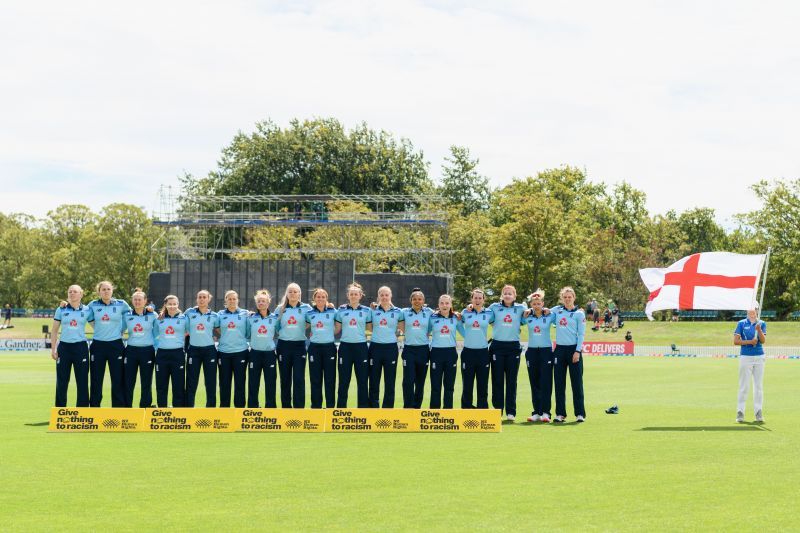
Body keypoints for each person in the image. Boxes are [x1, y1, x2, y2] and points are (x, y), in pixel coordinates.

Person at [87, 281, 132, 407]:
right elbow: (87, 317)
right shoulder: (92, 305)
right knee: (96, 379)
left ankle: (117, 408)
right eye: (103, 289)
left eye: (108, 289)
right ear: (99, 291)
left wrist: (122, 330)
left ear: (112, 290)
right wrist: (97, 328)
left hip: (116, 345)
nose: (106, 291)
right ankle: (95, 407)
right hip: (98, 346)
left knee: (117, 378)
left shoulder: (121, 304)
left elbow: (130, 317)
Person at [488, 284, 526, 421]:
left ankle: (511, 412)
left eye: (510, 293)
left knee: (511, 381)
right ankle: (497, 410)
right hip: (497, 346)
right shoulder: (494, 307)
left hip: (513, 347)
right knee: (497, 380)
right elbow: (484, 315)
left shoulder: (521, 308)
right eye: (505, 293)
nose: (508, 295)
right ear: (502, 295)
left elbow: (531, 315)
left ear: (515, 296)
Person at [51, 285, 94, 407]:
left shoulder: (87, 310)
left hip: (80, 348)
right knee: (62, 381)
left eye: (75, 292)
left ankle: (82, 409)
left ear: (81, 294)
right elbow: (54, 330)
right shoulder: (61, 309)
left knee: (82, 381)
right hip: (64, 348)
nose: (72, 293)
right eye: (70, 291)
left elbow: (97, 326)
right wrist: (53, 348)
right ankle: (60, 409)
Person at [550, 287, 587, 423]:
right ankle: (560, 414)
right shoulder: (557, 311)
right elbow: (545, 311)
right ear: (562, 298)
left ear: (574, 297)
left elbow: (581, 334)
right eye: (564, 297)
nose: (567, 299)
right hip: (559, 350)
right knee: (559, 383)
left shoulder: (579, 314)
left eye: (569, 297)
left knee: (576, 383)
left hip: (574, 350)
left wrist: (578, 351)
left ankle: (580, 413)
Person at [336, 282, 372, 408]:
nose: (353, 296)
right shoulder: (341, 310)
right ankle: (341, 408)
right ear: (348, 295)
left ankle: (362, 409)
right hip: (345, 347)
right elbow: (336, 329)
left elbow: (371, 328)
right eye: (351, 294)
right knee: (344, 381)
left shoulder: (367, 311)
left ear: (360, 295)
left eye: (356, 294)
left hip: (361, 347)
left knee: (362, 381)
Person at [276, 283, 312, 408]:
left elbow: (311, 322)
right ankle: (286, 408)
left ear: (299, 294)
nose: (292, 294)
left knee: (298, 379)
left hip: (299, 346)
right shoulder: (280, 309)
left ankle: (299, 408)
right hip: (283, 346)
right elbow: (275, 327)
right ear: (286, 293)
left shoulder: (306, 308)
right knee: (285, 379)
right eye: (290, 291)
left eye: (295, 292)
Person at [369, 286, 404, 408]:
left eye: (386, 295)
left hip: (391, 349)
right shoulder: (372, 310)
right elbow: (369, 328)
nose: (384, 297)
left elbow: (402, 327)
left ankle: (387, 408)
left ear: (390, 296)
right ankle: (374, 407)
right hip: (375, 348)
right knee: (374, 380)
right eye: (382, 295)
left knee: (390, 381)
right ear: (378, 297)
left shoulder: (398, 312)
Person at [184, 290, 220, 407]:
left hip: (209, 351)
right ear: (197, 299)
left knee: (210, 381)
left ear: (209, 299)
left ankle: (210, 408)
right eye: (199, 297)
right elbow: (177, 317)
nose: (202, 299)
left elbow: (221, 330)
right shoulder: (189, 312)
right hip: (194, 350)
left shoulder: (215, 316)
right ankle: (189, 407)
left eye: (204, 297)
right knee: (191, 381)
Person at [122, 288, 157, 408]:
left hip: (147, 351)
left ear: (145, 301)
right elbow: (120, 330)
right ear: (132, 301)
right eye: (135, 300)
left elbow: (158, 332)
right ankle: (127, 408)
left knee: (146, 381)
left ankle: (145, 408)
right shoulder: (127, 315)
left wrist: (156, 347)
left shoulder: (153, 315)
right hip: (131, 351)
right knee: (128, 382)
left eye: (140, 300)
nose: (137, 302)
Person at [524, 290, 555, 423]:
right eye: (534, 303)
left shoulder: (549, 315)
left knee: (546, 382)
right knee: (534, 382)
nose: (537, 305)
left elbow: (558, 314)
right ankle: (536, 411)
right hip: (531, 351)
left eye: (539, 303)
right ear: (531, 304)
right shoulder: (527, 316)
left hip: (546, 351)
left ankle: (546, 412)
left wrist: (550, 311)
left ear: (543, 304)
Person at [459, 288, 493, 409]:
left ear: (484, 300)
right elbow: (458, 324)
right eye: (475, 298)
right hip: (468, 352)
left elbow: (497, 324)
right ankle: (467, 407)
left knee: (482, 383)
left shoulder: (489, 313)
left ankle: (482, 408)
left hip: (483, 352)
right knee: (467, 383)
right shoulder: (465, 312)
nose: (477, 300)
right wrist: (465, 335)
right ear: (471, 299)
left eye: (480, 298)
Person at [428, 294, 462, 409]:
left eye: (447, 303)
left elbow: (466, 333)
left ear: (451, 305)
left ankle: (448, 411)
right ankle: (434, 411)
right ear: (438, 305)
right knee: (435, 385)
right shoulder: (432, 317)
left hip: (451, 353)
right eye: (442, 303)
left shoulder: (456, 318)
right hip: (436, 353)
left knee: (449, 385)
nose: (444, 305)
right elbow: (425, 333)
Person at [734, 306, 767, 423]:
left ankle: (758, 412)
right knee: (744, 386)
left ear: (757, 310)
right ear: (747, 311)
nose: (752, 312)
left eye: (754, 310)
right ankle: (740, 412)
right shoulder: (741, 323)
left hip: (759, 356)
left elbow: (763, 341)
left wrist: (759, 330)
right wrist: (749, 342)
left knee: (758, 386)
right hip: (745, 357)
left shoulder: (761, 323)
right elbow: (736, 341)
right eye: (749, 310)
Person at [306, 288, 338, 409]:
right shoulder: (309, 313)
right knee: (315, 379)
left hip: (329, 347)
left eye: (323, 297)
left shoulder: (333, 311)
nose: (320, 299)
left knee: (330, 379)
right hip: (314, 348)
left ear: (326, 299)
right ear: (314, 299)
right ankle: (316, 407)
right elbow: (304, 326)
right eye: (318, 297)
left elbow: (338, 326)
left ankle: (330, 407)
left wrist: (329, 334)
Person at [400, 288, 432, 409]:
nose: (417, 301)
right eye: (414, 299)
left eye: (419, 299)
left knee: (420, 381)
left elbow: (445, 312)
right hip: (409, 350)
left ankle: (417, 407)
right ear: (411, 300)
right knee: (408, 381)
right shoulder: (404, 312)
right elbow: (390, 308)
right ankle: (408, 407)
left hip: (423, 351)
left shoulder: (429, 312)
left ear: (423, 300)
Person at [217, 290, 250, 408]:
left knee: (240, 383)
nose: (232, 301)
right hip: (224, 353)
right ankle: (224, 411)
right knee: (224, 383)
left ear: (238, 300)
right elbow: (217, 328)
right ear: (225, 300)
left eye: (234, 299)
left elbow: (248, 332)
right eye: (229, 299)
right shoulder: (219, 314)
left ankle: (239, 410)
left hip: (241, 352)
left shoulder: (245, 314)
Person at [154, 295, 188, 407]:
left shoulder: (184, 318)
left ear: (178, 304)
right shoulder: (159, 319)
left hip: (177, 354)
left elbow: (190, 331)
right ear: (165, 305)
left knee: (178, 385)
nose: (172, 306)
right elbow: (154, 334)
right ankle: (162, 410)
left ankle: (178, 410)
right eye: (170, 304)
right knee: (161, 385)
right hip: (162, 354)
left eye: (174, 304)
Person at [247, 290, 279, 408]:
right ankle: (253, 407)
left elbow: (280, 331)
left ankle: (270, 407)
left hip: (269, 354)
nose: (261, 303)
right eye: (259, 301)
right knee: (253, 383)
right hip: (255, 354)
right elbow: (246, 333)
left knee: (270, 382)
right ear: (256, 303)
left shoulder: (275, 318)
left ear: (268, 303)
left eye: (263, 301)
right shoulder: (250, 317)